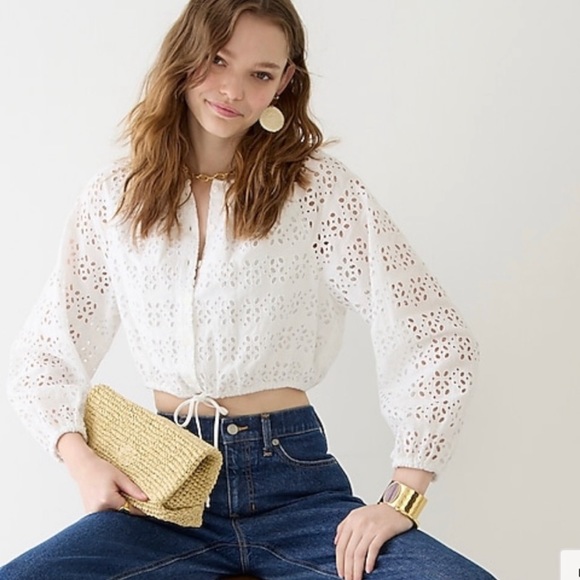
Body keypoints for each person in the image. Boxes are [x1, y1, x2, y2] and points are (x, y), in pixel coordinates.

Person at [1, 1, 496, 579]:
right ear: (184, 54)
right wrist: (79, 459)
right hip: (163, 492)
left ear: (284, 83)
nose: (232, 90)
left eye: (260, 74)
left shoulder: (318, 192)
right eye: (217, 60)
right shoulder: (115, 197)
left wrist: (401, 498)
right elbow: (45, 355)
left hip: (298, 491)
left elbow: (434, 336)